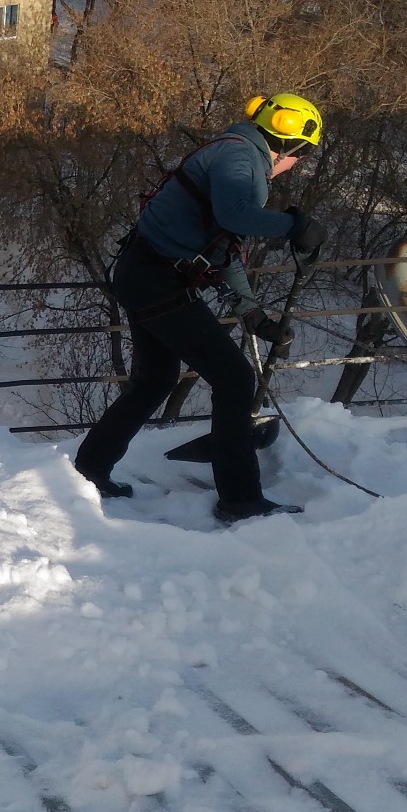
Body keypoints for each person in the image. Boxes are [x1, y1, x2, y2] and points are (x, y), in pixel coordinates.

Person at [74, 93, 329, 523]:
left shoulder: (233, 152)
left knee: (156, 379)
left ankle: (90, 467)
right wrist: (294, 225)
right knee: (233, 378)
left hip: (147, 274)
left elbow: (223, 248)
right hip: (155, 279)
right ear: (288, 145)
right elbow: (236, 216)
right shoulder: (238, 157)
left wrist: (252, 313)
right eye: (301, 156)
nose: (297, 165)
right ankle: (241, 500)